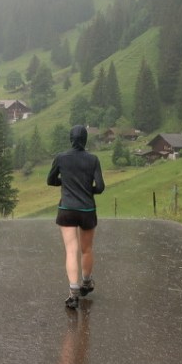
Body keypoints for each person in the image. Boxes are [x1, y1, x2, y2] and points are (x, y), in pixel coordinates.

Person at [46, 124, 105, 309]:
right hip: (87, 210)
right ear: (86, 139)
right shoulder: (93, 159)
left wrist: (66, 182)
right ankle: (86, 283)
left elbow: (50, 180)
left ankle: (73, 293)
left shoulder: (61, 158)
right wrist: (88, 189)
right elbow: (101, 187)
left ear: (71, 139)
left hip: (67, 209)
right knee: (86, 249)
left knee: (71, 250)